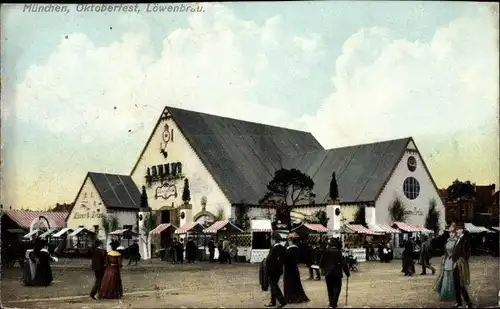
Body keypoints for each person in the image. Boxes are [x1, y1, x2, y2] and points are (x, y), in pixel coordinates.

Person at [320, 238, 350, 308]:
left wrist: (324, 270)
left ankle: (331, 304)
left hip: (328, 273)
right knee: (337, 288)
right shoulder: (338, 252)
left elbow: (321, 263)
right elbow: (343, 264)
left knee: (329, 289)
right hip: (337, 273)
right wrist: (347, 273)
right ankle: (334, 304)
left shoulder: (326, 251)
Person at [434, 222, 458, 301]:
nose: (451, 234)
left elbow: (458, 253)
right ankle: (445, 294)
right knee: (445, 277)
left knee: (452, 278)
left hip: (454, 261)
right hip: (447, 260)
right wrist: (444, 258)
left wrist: (456, 261)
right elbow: (445, 251)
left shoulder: (457, 241)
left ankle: (452, 295)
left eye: (452, 232)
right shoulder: (448, 240)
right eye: (450, 232)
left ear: (455, 232)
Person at [283, 234, 309, 304]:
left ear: (291, 241)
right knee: (296, 283)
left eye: (290, 240)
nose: (289, 242)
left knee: (289, 283)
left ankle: (291, 298)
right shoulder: (297, 248)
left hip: (289, 268)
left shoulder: (289, 249)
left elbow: (285, 259)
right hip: (294, 268)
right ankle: (297, 297)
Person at [451, 228, 473, 308]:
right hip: (455, 264)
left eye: (458, 230)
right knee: (455, 283)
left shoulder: (465, 240)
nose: (456, 231)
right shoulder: (458, 239)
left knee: (461, 284)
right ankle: (459, 302)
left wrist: (462, 260)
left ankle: (468, 302)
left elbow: (468, 252)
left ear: (462, 230)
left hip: (460, 265)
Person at [265, 233, 287, 308]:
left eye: (271, 239)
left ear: (273, 240)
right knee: (273, 285)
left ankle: (282, 301)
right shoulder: (282, 248)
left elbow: (271, 260)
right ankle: (273, 301)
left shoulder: (274, 248)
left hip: (273, 270)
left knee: (274, 286)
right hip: (277, 270)